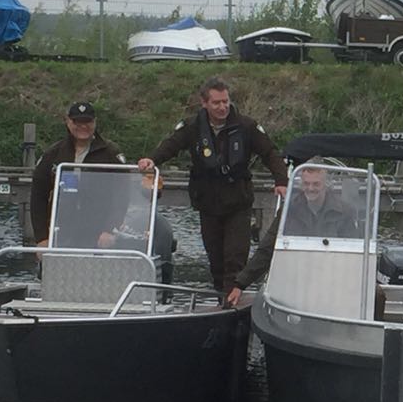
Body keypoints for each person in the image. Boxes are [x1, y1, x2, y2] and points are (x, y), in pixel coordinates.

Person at [138, 77, 288, 292]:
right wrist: (152, 160)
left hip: (237, 201)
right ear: (204, 103)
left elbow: (270, 152)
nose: (222, 107)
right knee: (215, 259)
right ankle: (221, 297)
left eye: (225, 101)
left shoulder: (246, 126)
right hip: (207, 202)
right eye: (216, 103)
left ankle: (233, 298)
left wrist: (281, 180)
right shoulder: (192, 127)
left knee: (235, 257)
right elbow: (171, 145)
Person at [225, 167, 364, 306]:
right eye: (306, 183)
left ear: (325, 185)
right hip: (296, 280)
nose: (310, 188)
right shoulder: (288, 211)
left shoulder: (345, 212)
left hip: (331, 280)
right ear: (301, 184)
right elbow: (267, 249)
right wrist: (240, 285)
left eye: (316, 184)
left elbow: (354, 254)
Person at [28, 100, 126, 248]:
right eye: (77, 122)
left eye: (87, 121)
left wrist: (111, 229)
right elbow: (38, 196)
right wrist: (41, 238)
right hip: (61, 232)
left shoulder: (111, 153)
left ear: (95, 122)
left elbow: (122, 195)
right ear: (68, 122)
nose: (83, 126)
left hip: (99, 235)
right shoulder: (53, 154)